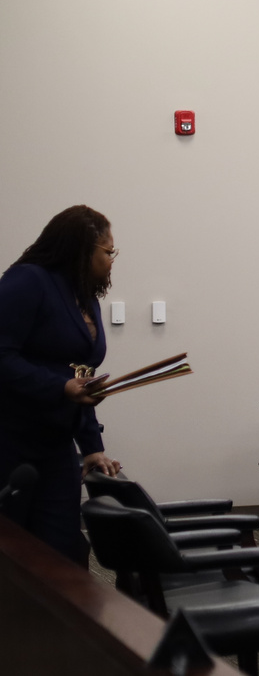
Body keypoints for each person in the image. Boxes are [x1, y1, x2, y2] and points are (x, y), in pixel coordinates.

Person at [0, 205, 122, 565]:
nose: (112, 261)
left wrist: (92, 447)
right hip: (10, 443)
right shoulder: (28, 281)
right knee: (13, 554)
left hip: (55, 444)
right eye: (108, 251)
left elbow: (82, 380)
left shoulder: (84, 295)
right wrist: (59, 387)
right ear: (83, 249)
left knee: (63, 553)